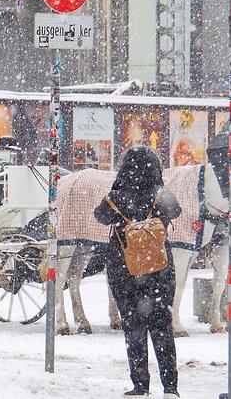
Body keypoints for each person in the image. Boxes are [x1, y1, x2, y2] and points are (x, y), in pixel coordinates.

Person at [94, 147, 182, 399]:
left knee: (133, 325)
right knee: (162, 326)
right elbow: (175, 212)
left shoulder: (115, 197)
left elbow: (100, 216)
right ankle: (170, 387)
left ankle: (140, 384)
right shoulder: (162, 196)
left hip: (125, 269)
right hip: (160, 269)